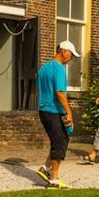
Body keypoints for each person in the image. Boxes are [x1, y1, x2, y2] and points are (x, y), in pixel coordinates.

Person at [36, 39, 77, 187]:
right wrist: (69, 113)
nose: (71, 58)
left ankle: (45, 168)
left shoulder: (44, 68)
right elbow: (60, 92)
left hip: (43, 110)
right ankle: (53, 179)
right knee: (60, 142)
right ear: (64, 52)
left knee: (58, 140)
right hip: (54, 110)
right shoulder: (59, 68)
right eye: (71, 55)